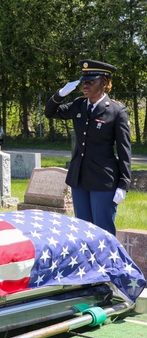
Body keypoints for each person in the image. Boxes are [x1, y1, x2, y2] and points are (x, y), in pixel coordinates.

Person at [44, 59, 131, 235]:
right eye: (84, 81)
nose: (86, 85)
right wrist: (60, 94)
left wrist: (124, 184)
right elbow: (50, 112)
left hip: (103, 179)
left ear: (104, 83)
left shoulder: (116, 111)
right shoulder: (79, 105)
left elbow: (124, 149)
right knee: (82, 230)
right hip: (79, 177)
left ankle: (105, 264)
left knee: (102, 230)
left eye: (91, 81)